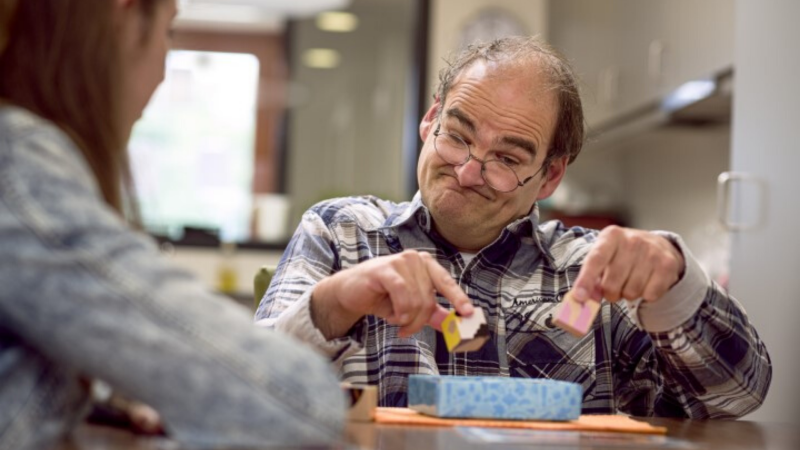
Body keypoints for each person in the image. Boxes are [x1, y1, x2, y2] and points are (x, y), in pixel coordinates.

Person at [255, 36, 772, 419]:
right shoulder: (341, 232)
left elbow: (736, 395)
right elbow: (245, 381)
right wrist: (336, 302)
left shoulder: (593, 275)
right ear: (430, 119)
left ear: (550, 175)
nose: (467, 170)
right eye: (456, 136)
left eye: (505, 157)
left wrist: (676, 283)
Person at [0, 1, 345, 449]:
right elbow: (292, 400)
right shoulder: (20, 168)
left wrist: (104, 399)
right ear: (122, 17)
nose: (163, 72)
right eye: (169, 32)